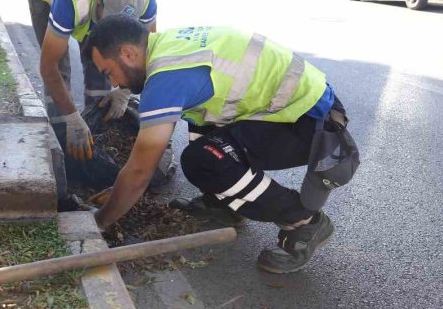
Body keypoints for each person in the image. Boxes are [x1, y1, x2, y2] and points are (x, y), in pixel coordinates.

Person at [83, 15, 359, 274]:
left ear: (128, 54)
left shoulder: (166, 79)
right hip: (296, 107)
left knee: (202, 159)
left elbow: (141, 171)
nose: (115, 83)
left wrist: (101, 220)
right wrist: (122, 188)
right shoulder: (170, 47)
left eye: (109, 72)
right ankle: (222, 204)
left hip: (310, 123)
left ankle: (304, 221)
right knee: (200, 120)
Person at [25, 0, 159, 161]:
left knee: (102, 64)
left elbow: (149, 55)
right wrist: (72, 119)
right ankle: (63, 142)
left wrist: (124, 92)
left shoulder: (144, 0)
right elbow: (48, 66)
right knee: (60, 66)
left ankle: (97, 136)